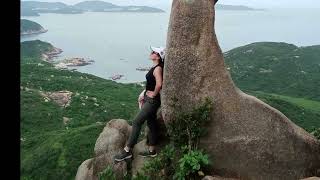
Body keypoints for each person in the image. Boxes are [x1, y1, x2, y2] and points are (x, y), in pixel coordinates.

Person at [114, 46, 165, 162]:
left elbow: (159, 84)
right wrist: (144, 93)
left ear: (157, 56)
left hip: (152, 101)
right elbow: (151, 84)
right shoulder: (155, 67)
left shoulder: (157, 69)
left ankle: (127, 151)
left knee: (137, 121)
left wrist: (153, 94)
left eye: (153, 52)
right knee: (151, 123)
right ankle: (152, 151)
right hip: (148, 98)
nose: (151, 53)